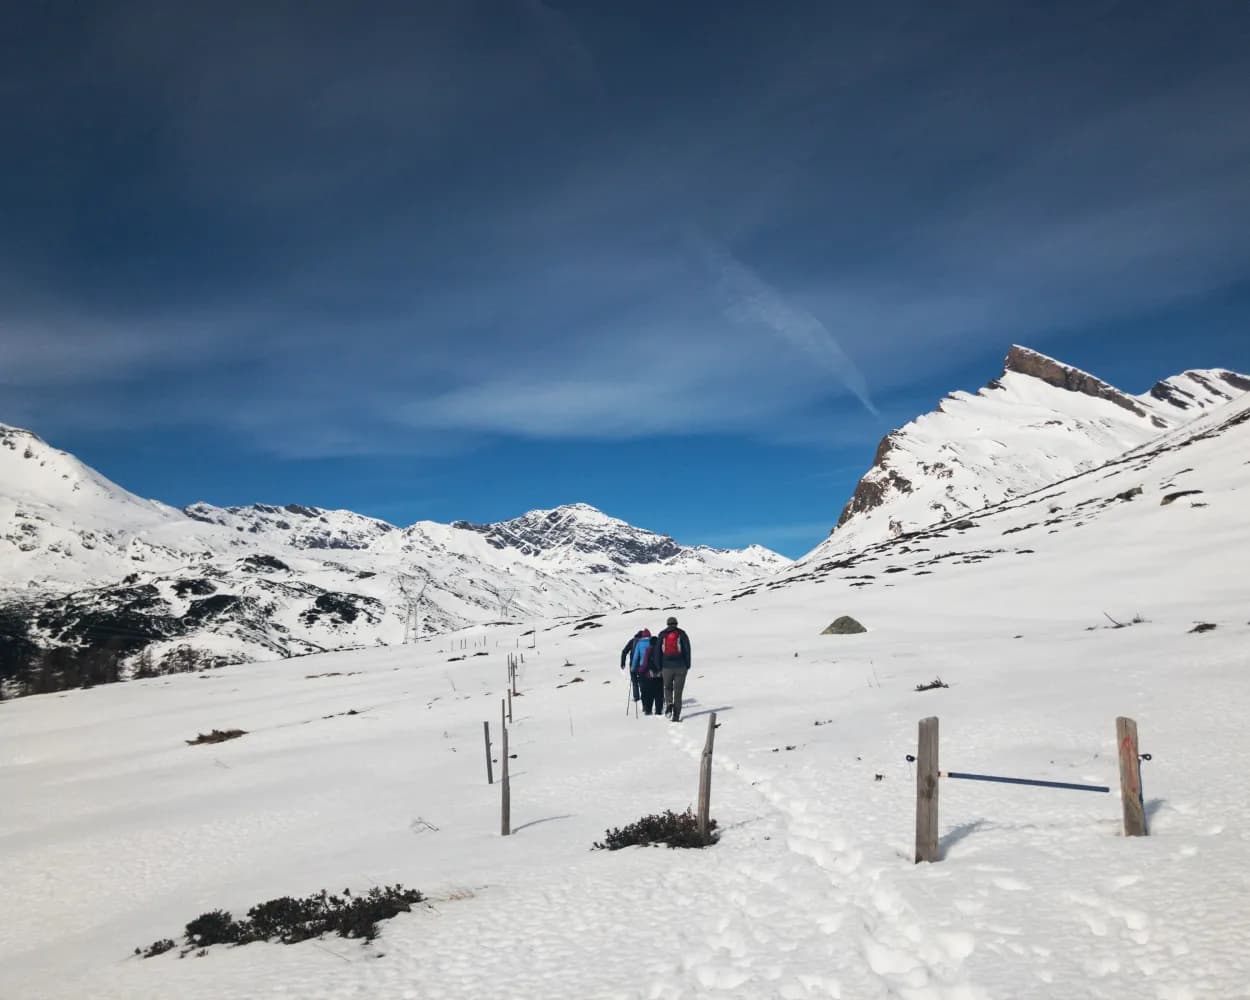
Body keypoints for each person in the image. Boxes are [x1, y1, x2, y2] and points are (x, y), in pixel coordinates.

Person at [655, 615, 691, 722]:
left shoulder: (662, 634)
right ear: (676, 624)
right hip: (681, 667)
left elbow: (657, 652)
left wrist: (659, 666)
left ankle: (669, 703)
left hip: (666, 667)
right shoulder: (682, 634)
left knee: (667, 688)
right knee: (678, 693)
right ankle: (676, 717)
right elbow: (687, 650)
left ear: (667, 624)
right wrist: (687, 665)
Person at [620, 629, 655, 712]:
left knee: (635, 682)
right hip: (643, 665)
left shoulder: (632, 641)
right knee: (643, 683)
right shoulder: (647, 642)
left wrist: (623, 662)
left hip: (633, 664)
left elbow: (624, 651)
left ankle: (636, 697)